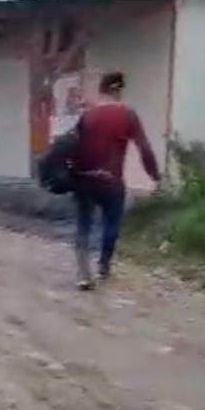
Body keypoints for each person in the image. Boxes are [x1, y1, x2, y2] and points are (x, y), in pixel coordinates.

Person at [71, 71, 161, 290]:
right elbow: (144, 148)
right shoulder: (128, 115)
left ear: (102, 90)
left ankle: (84, 272)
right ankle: (103, 265)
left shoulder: (87, 116)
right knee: (111, 223)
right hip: (111, 181)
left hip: (85, 178)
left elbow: (74, 146)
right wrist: (154, 175)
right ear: (118, 90)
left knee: (84, 225)